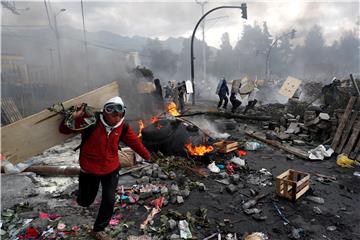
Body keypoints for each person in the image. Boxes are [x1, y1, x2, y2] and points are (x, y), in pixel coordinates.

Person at [59, 96, 151, 240]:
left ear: (123, 113)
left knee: (109, 199)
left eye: (119, 113)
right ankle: (81, 194)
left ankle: (98, 229)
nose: (115, 116)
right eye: (111, 111)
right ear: (104, 111)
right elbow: (64, 130)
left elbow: (134, 142)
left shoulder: (123, 126)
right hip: (90, 168)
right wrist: (74, 117)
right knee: (85, 201)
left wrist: (148, 156)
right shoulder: (91, 121)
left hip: (111, 168)